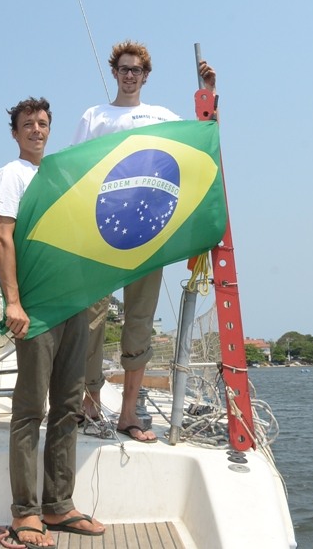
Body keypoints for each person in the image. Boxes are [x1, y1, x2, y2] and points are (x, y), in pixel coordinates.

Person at [73, 41, 216, 443]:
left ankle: (130, 413)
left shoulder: (161, 116)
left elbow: (203, 136)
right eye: (123, 68)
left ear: (146, 75)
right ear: (114, 72)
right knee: (91, 322)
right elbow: (75, 169)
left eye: (137, 70)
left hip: (147, 234)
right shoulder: (94, 116)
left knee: (139, 321)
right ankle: (90, 404)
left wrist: (208, 91)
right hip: (98, 234)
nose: (130, 75)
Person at [0, 97, 105, 548]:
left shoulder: (61, 176)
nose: (36, 130)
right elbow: (4, 238)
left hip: (74, 303)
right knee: (30, 409)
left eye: (42, 124)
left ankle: (58, 505)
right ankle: (25, 514)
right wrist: (13, 303)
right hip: (36, 309)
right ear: (16, 133)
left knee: (67, 407)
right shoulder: (11, 175)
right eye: (28, 125)